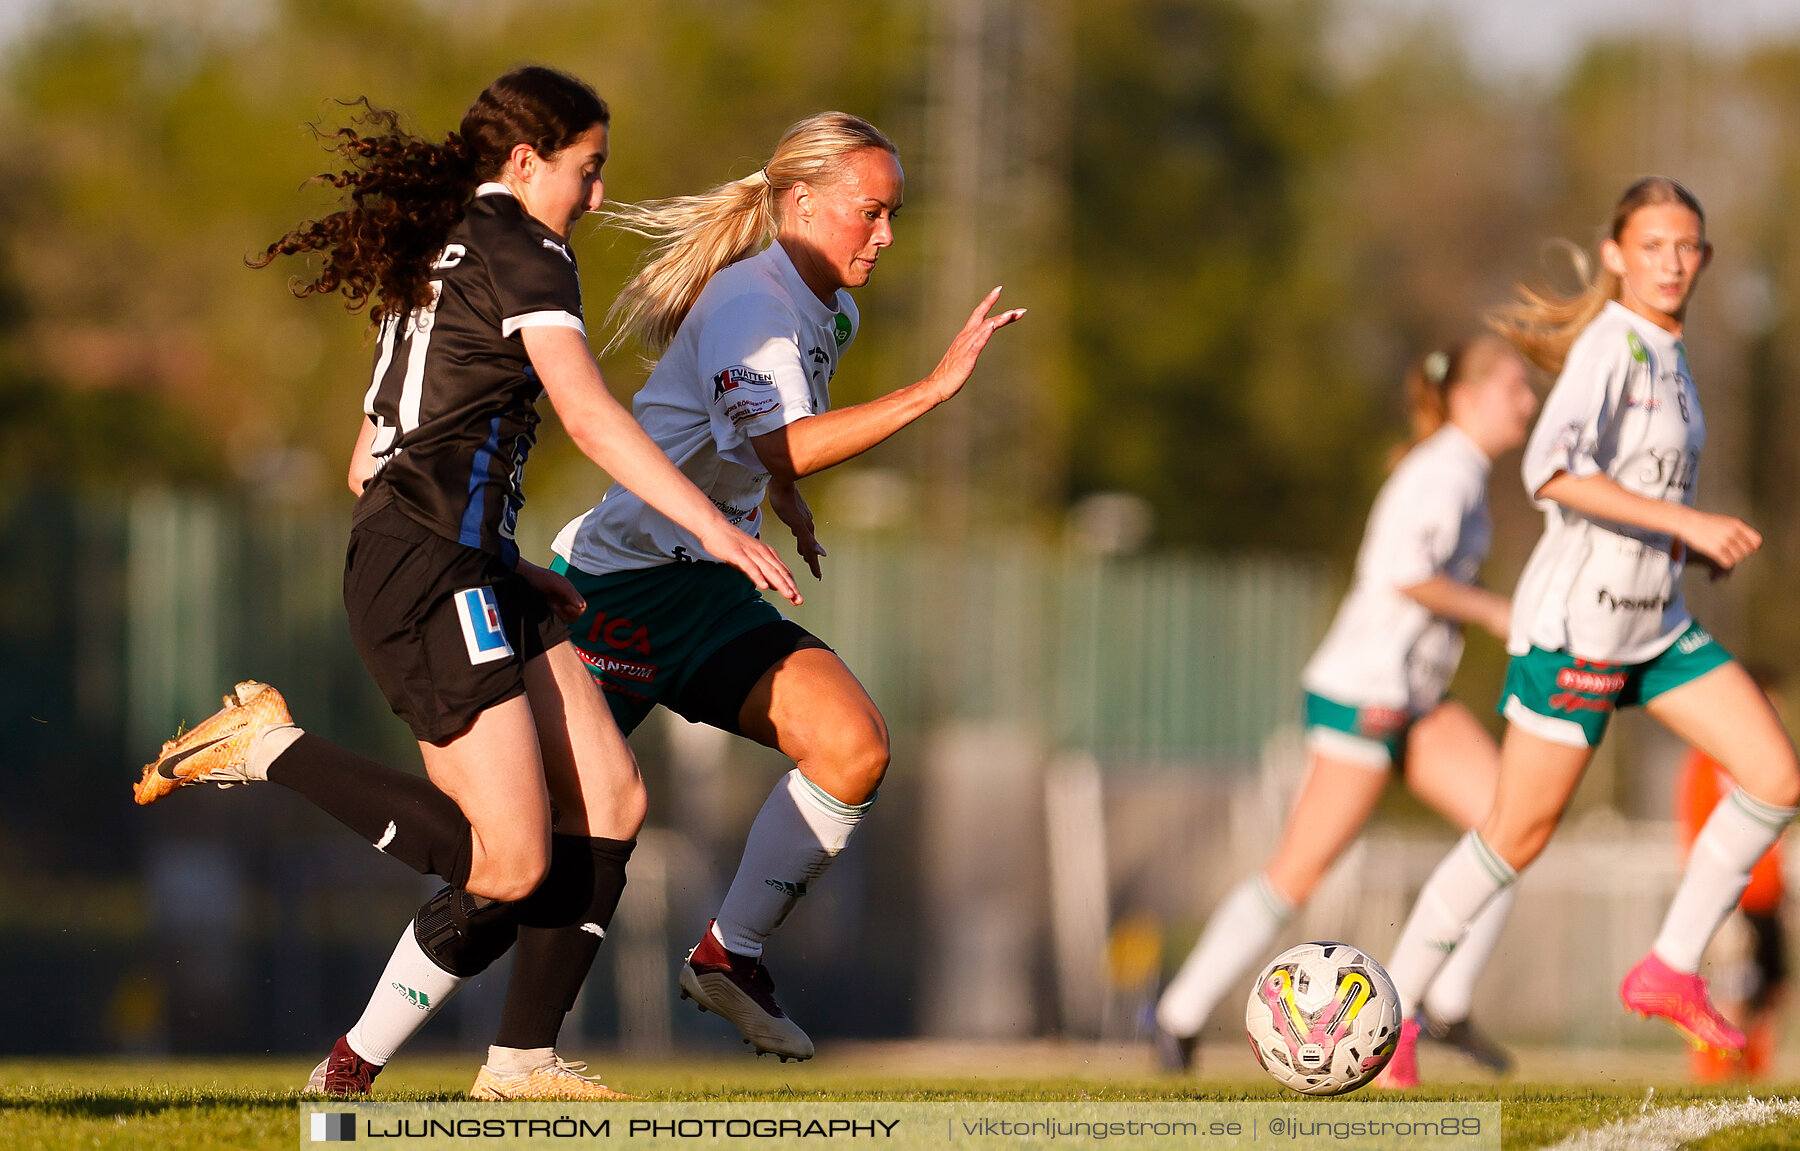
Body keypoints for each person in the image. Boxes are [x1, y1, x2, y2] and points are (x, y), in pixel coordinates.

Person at [133, 66, 799, 1100]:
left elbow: (368, 460)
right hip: (428, 569)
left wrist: (511, 563)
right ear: (526, 162)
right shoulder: (525, 249)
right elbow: (585, 413)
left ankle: (520, 1061)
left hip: (448, 559)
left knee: (612, 798)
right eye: (587, 171)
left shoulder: (444, 248)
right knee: (507, 859)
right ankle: (269, 748)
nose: (593, 196)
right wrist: (711, 522)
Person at [318, 110, 1025, 1074]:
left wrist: (787, 503)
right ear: (803, 203)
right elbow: (780, 439)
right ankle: (355, 1062)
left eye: (893, 214)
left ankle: (728, 954)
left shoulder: (832, 309)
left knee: (852, 746)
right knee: (521, 858)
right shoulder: (754, 305)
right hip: (614, 595)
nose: (886, 236)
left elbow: (751, 446)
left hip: (710, 583)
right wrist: (931, 390)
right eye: (872, 213)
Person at [1378, 177, 1799, 1088]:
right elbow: (1551, 469)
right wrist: (1687, 526)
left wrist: (1684, 550)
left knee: (1775, 776)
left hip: (1657, 625)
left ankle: (1670, 966)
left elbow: (1640, 495)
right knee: (1514, 835)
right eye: (1651, 246)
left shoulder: (1673, 355)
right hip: (1580, 634)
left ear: (1706, 258)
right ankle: (1393, 1017)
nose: (1671, 262)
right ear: (1616, 254)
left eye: (1686, 246)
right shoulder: (1611, 345)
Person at [1151, 335, 1537, 1074]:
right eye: (1516, 387)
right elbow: (1403, 574)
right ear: (1467, 398)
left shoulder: (1463, 471)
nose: (1528, 402)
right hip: (1366, 694)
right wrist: (1493, 612)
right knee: (1296, 872)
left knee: (1514, 825)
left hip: (1416, 698)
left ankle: (1442, 1001)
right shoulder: (1444, 471)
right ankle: (1178, 1016)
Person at [1675, 670, 1790, 1081]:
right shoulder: (1712, 758)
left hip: (1769, 898)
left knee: (1769, 993)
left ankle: (1754, 1077)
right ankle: (1715, 1078)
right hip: (1734, 899)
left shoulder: (1775, 762)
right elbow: (1696, 827)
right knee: (1732, 993)